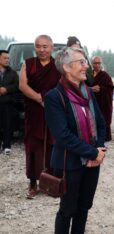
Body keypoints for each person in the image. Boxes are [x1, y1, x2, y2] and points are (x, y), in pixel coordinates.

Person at [44, 47, 106, 233]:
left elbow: (101, 124)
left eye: (85, 62)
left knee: (84, 207)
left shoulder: (87, 92)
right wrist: (92, 152)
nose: (85, 66)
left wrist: (99, 149)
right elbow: (62, 135)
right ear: (67, 67)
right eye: (81, 62)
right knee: (68, 209)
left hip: (93, 161)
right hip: (69, 162)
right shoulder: (54, 97)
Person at [19, 35, 61, 198]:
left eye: (45, 46)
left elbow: (61, 86)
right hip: (34, 110)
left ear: (52, 48)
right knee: (33, 144)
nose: (42, 50)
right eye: (38, 46)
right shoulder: (28, 63)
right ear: (34, 47)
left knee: (52, 143)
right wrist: (39, 98)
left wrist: (48, 101)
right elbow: (22, 85)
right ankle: (32, 182)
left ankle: (49, 181)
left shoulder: (58, 65)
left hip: (53, 110)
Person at [90, 56, 114, 141]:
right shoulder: (88, 75)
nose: (97, 65)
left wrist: (100, 88)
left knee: (102, 119)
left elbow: (110, 88)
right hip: (91, 102)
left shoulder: (105, 76)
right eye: (95, 63)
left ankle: (103, 137)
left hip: (102, 103)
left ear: (101, 64)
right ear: (92, 63)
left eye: (98, 63)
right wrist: (90, 89)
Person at [0, 50, 19, 155]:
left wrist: (6, 89)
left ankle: (7, 146)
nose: (7, 60)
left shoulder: (13, 73)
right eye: (5, 58)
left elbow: (17, 86)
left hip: (8, 103)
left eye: (8, 58)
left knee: (7, 124)